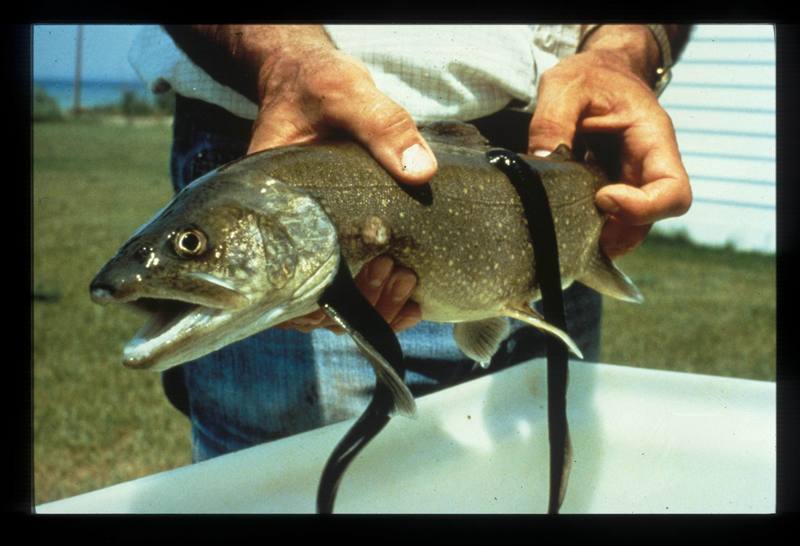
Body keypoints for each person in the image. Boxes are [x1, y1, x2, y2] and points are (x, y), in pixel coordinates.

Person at [128, 24, 692, 462]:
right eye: (192, 246)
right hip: (285, 127)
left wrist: (625, 51)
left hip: (555, 163)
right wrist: (282, 59)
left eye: (191, 248)